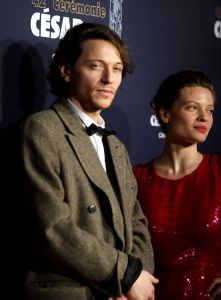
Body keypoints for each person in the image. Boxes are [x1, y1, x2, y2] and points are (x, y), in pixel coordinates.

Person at [20, 22, 158, 300]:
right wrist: (125, 275)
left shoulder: (116, 146)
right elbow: (53, 229)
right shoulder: (42, 129)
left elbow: (137, 223)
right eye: (96, 66)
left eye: (117, 68)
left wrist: (134, 281)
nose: (109, 78)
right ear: (66, 70)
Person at [133, 70, 221, 299]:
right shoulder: (137, 179)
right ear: (165, 114)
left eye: (210, 110)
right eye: (193, 107)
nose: (204, 117)